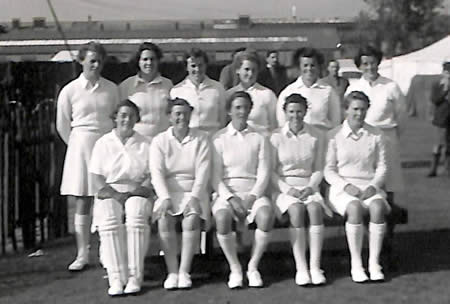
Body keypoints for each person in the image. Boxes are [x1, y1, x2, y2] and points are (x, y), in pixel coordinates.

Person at [56, 41, 119, 271]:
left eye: (99, 61)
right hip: (80, 146)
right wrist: (76, 145)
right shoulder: (70, 90)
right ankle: (83, 253)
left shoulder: (112, 89)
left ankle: (107, 250)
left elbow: (116, 119)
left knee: (106, 198)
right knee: (82, 201)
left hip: (105, 147)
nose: (96, 64)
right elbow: (63, 125)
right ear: (81, 60)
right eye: (91, 60)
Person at [325, 91, 390, 283]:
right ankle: (356, 264)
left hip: (369, 186)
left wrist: (374, 186)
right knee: (354, 208)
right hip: (342, 189)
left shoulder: (376, 134)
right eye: (354, 109)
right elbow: (329, 170)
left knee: (377, 207)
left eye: (362, 109)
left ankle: (374, 263)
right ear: (346, 110)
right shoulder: (333, 135)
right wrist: (346, 187)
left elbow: (382, 166)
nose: (359, 114)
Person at [90, 100, 153, 296]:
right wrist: (115, 194)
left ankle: (135, 276)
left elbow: (152, 174)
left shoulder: (146, 143)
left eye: (131, 116)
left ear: (137, 119)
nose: (126, 119)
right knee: (108, 217)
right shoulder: (103, 143)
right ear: (115, 117)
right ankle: (116, 277)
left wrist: (139, 190)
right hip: (110, 190)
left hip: (137, 189)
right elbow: (96, 176)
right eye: (123, 115)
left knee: (136, 215)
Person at [212, 91, 273, 289]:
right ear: (229, 111)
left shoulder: (260, 137)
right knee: (222, 219)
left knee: (265, 215)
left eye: (246, 107)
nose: (242, 111)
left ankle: (253, 266)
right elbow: (215, 176)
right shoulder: (218, 139)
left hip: (253, 191)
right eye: (237, 107)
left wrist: (253, 197)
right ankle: (235, 268)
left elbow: (264, 172)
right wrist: (230, 198)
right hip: (226, 193)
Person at [150, 98, 211, 290]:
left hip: (194, 191)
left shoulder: (202, 138)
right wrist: (165, 198)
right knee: (164, 219)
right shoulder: (159, 141)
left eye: (185, 113)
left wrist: (194, 198)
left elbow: (203, 171)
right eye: (177, 113)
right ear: (169, 116)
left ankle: (185, 271)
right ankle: (172, 271)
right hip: (168, 192)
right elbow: (156, 173)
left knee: (191, 220)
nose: (181, 117)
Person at [270, 93, 331, 286]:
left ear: (305, 112)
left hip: (308, 186)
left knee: (314, 210)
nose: (295, 116)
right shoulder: (275, 137)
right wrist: (288, 190)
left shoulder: (316, 136)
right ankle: (301, 267)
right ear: (285, 113)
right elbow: (271, 172)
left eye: (299, 111)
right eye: (291, 111)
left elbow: (319, 168)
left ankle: (315, 266)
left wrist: (311, 187)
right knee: (296, 211)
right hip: (284, 189)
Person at [346, 45, 406, 203]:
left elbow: (402, 115)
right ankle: (365, 219)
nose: (370, 67)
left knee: (388, 180)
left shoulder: (391, 86)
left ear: (378, 63)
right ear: (359, 66)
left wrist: (393, 135)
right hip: (361, 138)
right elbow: (348, 116)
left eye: (373, 63)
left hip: (386, 137)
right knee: (365, 178)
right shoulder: (354, 87)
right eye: (365, 64)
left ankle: (388, 219)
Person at [277, 47, 341, 132]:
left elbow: (336, 123)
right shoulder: (288, 92)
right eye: (305, 65)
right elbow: (282, 124)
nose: (309, 69)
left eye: (313, 65)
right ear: (299, 67)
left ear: (318, 66)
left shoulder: (329, 91)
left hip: (322, 141)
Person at [119, 42, 173, 141]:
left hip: (163, 141)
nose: (149, 63)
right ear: (138, 62)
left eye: (152, 59)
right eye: (145, 59)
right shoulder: (126, 86)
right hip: (137, 141)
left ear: (158, 61)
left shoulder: (168, 85)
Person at [170, 48, 227, 136]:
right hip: (189, 140)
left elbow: (223, 119)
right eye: (193, 66)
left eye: (200, 65)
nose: (197, 69)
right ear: (186, 67)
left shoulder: (218, 88)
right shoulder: (176, 91)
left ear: (206, 65)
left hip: (213, 138)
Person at [226, 50, 278, 135]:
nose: (250, 74)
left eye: (254, 70)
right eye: (247, 69)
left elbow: (274, 126)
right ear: (238, 70)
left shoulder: (267, 94)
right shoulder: (229, 95)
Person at [427, 61, 450, 177]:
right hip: (441, 118)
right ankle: (433, 169)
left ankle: (447, 168)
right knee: (439, 143)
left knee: (448, 144)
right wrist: (445, 90)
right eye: (447, 72)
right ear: (443, 73)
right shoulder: (437, 85)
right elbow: (435, 100)